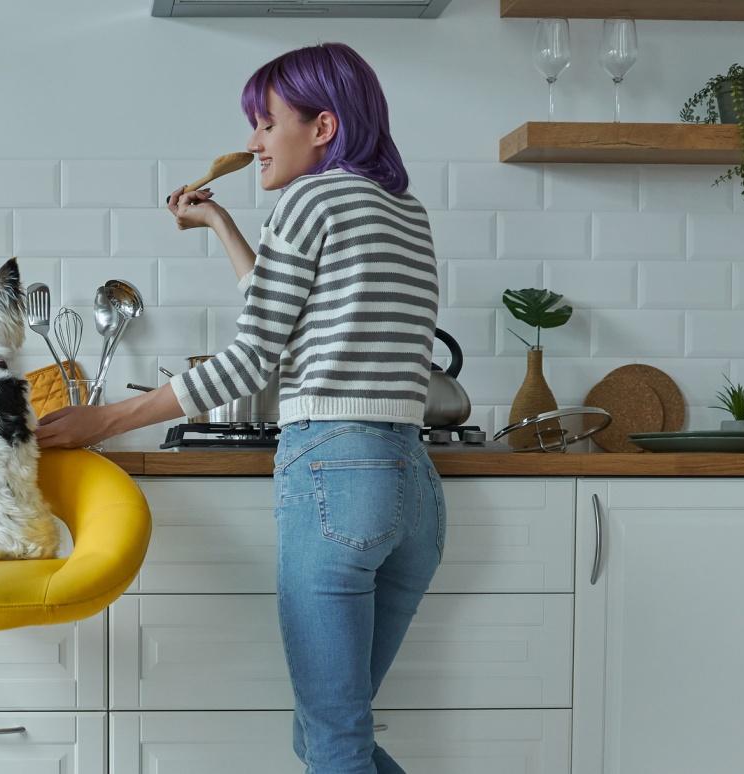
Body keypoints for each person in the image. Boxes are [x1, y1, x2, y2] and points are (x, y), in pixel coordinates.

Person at [36, 42, 444, 774]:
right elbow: (289, 320)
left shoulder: (307, 200)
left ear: (322, 127)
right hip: (411, 483)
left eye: (265, 122)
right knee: (328, 736)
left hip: (337, 471)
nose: (251, 142)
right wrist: (222, 227)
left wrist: (105, 419)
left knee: (332, 742)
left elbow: (254, 357)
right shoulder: (401, 210)